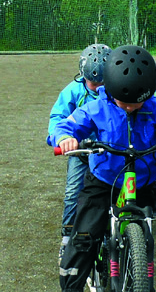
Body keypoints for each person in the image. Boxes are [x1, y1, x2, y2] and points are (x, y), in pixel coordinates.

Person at [53, 45, 156, 292]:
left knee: (145, 232)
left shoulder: (155, 107)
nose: (131, 108)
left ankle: (139, 282)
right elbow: (68, 125)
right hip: (105, 180)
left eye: (137, 104)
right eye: (124, 103)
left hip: (140, 179)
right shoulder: (96, 106)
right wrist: (65, 138)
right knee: (84, 233)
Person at [47, 44, 112, 262]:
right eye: (93, 84)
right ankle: (67, 237)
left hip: (110, 151)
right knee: (73, 192)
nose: (97, 88)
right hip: (81, 151)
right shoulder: (73, 91)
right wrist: (62, 138)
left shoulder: (119, 89)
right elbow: (57, 118)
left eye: (103, 83)